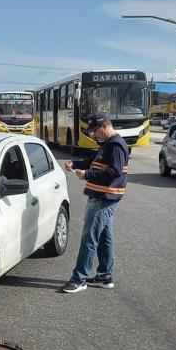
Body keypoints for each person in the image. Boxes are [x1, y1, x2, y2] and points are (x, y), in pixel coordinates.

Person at [60, 114, 129, 293]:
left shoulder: (115, 145)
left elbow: (114, 172)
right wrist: (75, 164)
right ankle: (105, 276)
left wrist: (87, 175)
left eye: (96, 131)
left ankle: (79, 279)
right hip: (104, 196)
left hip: (104, 198)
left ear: (105, 126)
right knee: (105, 237)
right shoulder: (108, 144)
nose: (94, 135)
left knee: (89, 238)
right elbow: (93, 160)